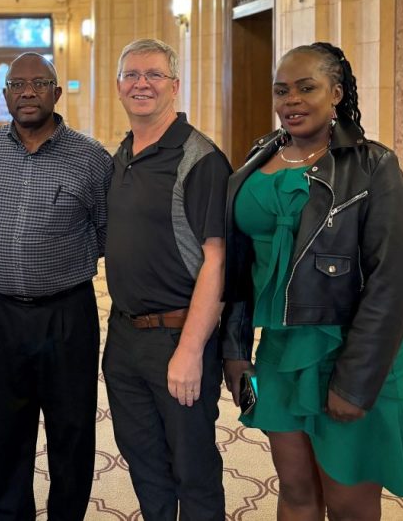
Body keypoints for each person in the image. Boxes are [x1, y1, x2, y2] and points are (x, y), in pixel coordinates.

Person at [221, 41, 403, 519]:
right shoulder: (259, 156)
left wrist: (355, 382)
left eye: (306, 87)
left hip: (347, 349)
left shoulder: (373, 165)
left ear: (336, 92)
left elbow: (390, 283)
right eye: (281, 90)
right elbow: (237, 267)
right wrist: (234, 348)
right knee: (294, 490)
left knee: (348, 500)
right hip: (280, 350)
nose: (290, 100)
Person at [0, 52, 112, 521]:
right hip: (0, 312)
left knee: (71, 428)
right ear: (5, 93)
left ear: (56, 92)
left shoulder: (91, 158)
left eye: (39, 83)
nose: (27, 92)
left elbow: (106, 232)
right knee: (5, 427)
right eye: (17, 84)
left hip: (68, 313)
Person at [102, 38, 231, 521]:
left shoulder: (200, 160)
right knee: (145, 464)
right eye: (132, 75)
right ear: (118, 86)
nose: (142, 84)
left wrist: (191, 351)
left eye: (154, 75)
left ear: (175, 86)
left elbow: (217, 262)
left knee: (193, 470)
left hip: (178, 337)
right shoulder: (121, 155)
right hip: (124, 338)